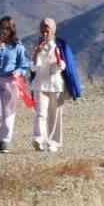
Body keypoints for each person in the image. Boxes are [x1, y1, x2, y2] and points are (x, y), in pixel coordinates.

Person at [31, 18, 82, 152]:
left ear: (53, 30)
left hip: (55, 85)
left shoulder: (61, 45)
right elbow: (33, 68)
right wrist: (36, 53)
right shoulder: (38, 45)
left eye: (47, 29)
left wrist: (60, 64)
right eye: (42, 29)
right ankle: (38, 139)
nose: (44, 32)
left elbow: (67, 65)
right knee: (40, 113)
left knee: (55, 114)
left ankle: (53, 142)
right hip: (40, 84)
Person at [0, 17, 31, 153]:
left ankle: (4, 140)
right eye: (2, 27)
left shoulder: (17, 45)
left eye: (7, 28)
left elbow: (24, 64)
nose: (4, 31)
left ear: (12, 30)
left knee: (8, 111)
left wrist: (19, 71)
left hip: (10, 81)